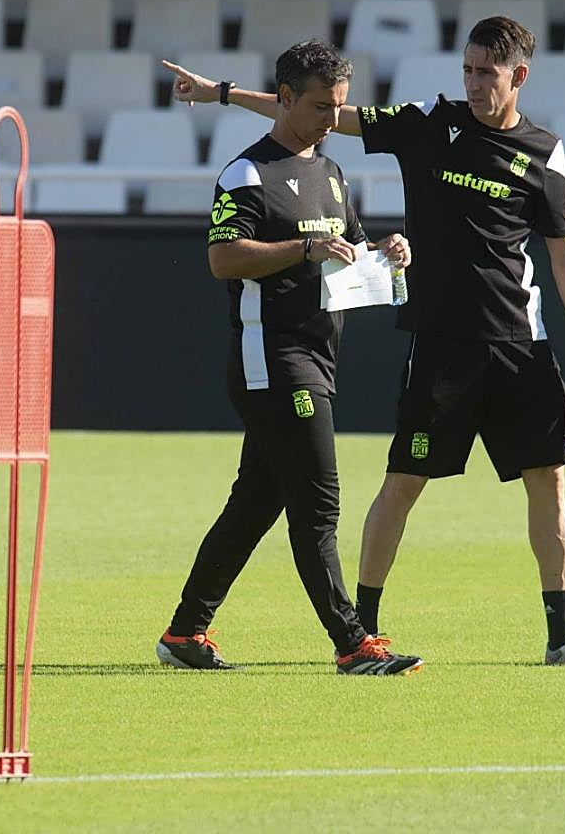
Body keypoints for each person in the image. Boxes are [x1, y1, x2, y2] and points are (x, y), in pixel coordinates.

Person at [163, 16, 565, 666]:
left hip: (520, 343)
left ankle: (559, 635)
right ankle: (360, 634)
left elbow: (563, 255)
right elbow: (320, 112)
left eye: (486, 73)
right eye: (467, 70)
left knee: (547, 481)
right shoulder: (429, 123)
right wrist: (223, 94)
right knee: (386, 487)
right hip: (435, 346)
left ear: (518, 76)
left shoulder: (543, 153)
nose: (473, 83)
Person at [156, 39, 422, 676]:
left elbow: (349, 251)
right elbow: (223, 258)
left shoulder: (331, 173)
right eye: (320, 106)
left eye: (338, 106)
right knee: (318, 503)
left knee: (255, 504)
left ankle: (184, 632)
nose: (332, 119)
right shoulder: (246, 174)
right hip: (273, 359)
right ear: (283, 98)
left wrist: (388, 253)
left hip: (317, 357)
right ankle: (353, 643)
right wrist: (302, 250)